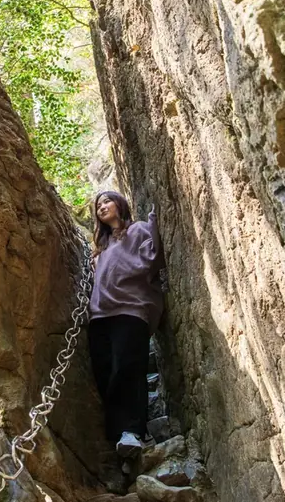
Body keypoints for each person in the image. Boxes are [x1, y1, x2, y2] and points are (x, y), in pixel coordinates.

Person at [88, 191, 165, 459]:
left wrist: (155, 219)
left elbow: (154, 258)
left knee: (128, 369)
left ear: (120, 205)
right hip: (99, 317)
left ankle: (133, 431)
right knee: (105, 373)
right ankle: (118, 434)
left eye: (107, 201)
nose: (102, 207)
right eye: (98, 205)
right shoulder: (101, 248)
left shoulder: (138, 230)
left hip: (130, 311)